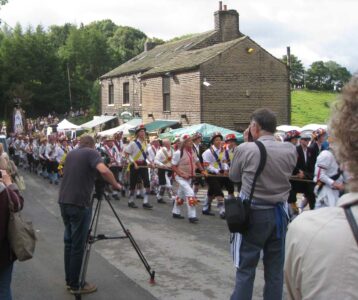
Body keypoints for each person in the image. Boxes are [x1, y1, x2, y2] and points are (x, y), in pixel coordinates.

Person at [285, 75, 358, 300]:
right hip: (328, 188)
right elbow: (320, 173)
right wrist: (331, 183)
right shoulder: (326, 153)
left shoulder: (307, 232)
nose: (303, 142)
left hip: (334, 190)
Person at [229, 108, 296, 300]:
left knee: (246, 267)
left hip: (254, 214)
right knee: (275, 270)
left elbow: (234, 176)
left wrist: (248, 143)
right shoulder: (290, 149)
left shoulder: (245, 148)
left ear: (255, 127)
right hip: (280, 214)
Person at [58, 135, 122, 295]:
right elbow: (104, 170)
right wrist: (116, 184)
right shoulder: (91, 153)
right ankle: (75, 284)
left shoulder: (72, 153)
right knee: (78, 244)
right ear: (92, 145)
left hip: (64, 201)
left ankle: (69, 280)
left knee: (69, 242)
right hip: (79, 203)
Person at [171, 134, 207, 223]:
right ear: (184, 143)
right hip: (180, 177)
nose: (191, 142)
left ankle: (176, 211)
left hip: (189, 177)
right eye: (188, 141)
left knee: (180, 195)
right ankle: (192, 216)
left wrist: (202, 171)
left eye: (191, 141)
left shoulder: (192, 152)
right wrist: (182, 174)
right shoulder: (178, 153)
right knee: (190, 193)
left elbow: (197, 162)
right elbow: (173, 166)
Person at [0, 169, 24, 300]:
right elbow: (18, 204)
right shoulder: (4, 192)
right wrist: (9, 183)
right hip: (2, 253)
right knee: (3, 289)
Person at [202, 132, 234, 219]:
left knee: (230, 187)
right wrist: (217, 171)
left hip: (221, 173)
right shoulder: (207, 152)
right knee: (217, 190)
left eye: (220, 139)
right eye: (216, 140)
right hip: (210, 174)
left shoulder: (223, 151)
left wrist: (226, 169)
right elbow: (207, 166)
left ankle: (205, 208)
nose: (219, 141)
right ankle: (222, 210)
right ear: (212, 141)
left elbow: (224, 162)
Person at [124, 125, 153, 209]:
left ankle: (145, 202)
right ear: (137, 133)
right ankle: (130, 201)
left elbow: (146, 155)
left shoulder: (145, 143)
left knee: (147, 182)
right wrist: (133, 163)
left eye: (144, 131)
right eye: (141, 131)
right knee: (133, 183)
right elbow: (126, 153)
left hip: (143, 164)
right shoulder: (133, 143)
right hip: (134, 165)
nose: (143, 133)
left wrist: (150, 162)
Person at [154, 139, 174, 204]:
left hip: (170, 170)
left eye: (169, 142)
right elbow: (156, 160)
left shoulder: (172, 150)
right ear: (164, 144)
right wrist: (162, 165)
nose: (169, 144)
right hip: (163, 170)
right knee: (168, 185)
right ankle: (173, 198)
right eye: (168, 143)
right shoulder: (161, 151)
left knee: (163, 185)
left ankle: (159, 197)